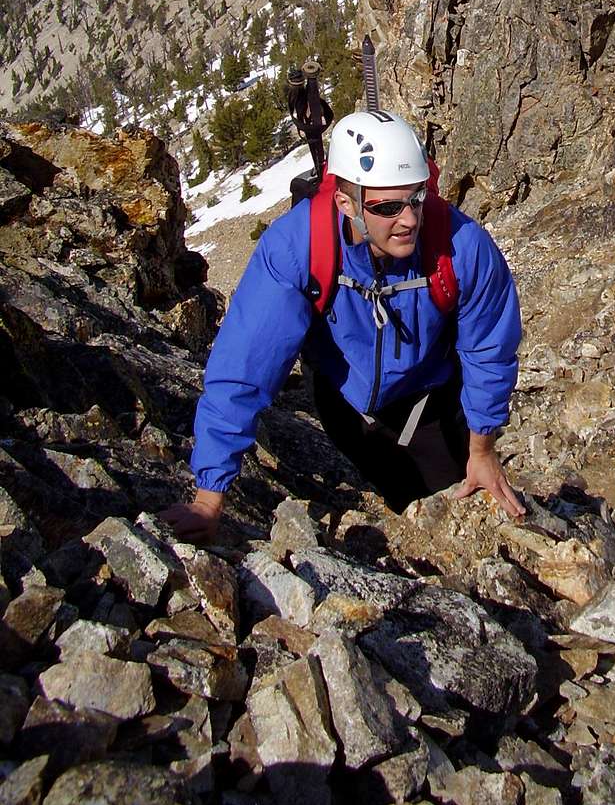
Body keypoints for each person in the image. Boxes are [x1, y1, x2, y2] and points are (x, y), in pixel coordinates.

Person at [162, 110, 525, 543]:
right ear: (345, 203)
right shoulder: (299, 248)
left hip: (428, 408)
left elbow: (488, 349)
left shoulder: (462, 247)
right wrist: (209, 498)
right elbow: (244, 367)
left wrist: (482, 448)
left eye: (417, 198)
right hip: (341, 407)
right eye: (388, 207)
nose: (409, 219)